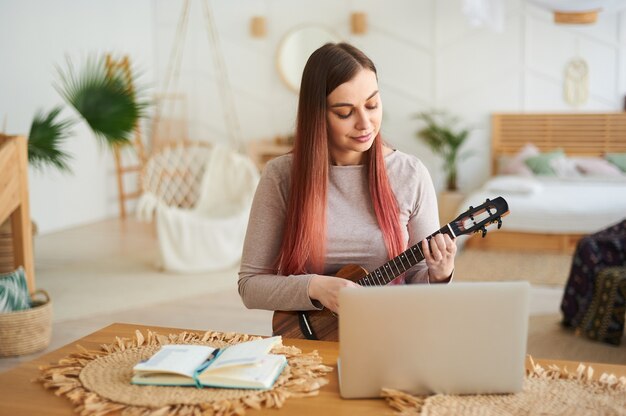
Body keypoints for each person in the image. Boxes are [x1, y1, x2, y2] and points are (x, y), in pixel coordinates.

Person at [238, 42, 456, 314]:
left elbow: (418, 284)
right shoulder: (281, 176)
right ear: (317, 115)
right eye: (345, 112)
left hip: (390, 329)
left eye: (372, 104)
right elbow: (250, 287)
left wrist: (439, 275)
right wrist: (315, 288)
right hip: (307, 339)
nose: (365, 123)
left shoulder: (410, 174)